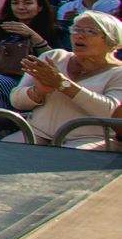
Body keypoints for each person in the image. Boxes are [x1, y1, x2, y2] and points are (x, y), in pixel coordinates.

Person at [10, 8, 122, 148]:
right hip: (36, 134)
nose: (79, 36)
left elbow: (111, 112)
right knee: (1, 154)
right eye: (76, 30)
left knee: (67, 161)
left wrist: (62, 84)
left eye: (90, 31)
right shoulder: (53, 57)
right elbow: (16, 101)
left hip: (89, 140)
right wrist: (38, 92)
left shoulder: (118, 72)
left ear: (112, 40)